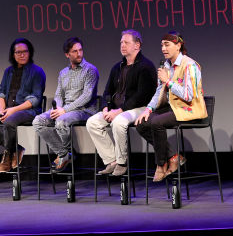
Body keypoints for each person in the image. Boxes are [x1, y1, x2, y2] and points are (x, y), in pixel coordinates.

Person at [135, 30, 206, 181]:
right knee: (142, 123)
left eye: (167, 45)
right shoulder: (166, 65)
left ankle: (161, 164)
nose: (163, 49)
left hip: (189, 108)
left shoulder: (190, 65)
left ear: (178, 46)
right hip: (173, 107)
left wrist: (168, 81)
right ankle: (173, 157)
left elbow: (188, 95)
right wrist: (148, 109)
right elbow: (159, 92)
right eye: (162, 45)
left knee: (156, 122)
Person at [86, 29, 157, 177]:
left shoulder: (145, 66)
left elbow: (142, 96)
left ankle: (122, 162)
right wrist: (105, 108)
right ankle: (111, 160)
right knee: (92, 122)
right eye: (121, 42)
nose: (122, 45)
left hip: (139, 108)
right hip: (116, 109)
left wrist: (119, 111)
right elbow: (107, 91)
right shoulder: (117, 67)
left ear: (137, 45)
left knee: (119, 122)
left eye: (126, 42)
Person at [0, 38, 46, 172]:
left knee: (9, 122)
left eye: (25, 51)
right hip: (8, 110)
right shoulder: (8, 71)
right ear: (13, 55)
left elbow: (35, 99)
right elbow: (2, 93)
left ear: (29, 53)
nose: (22, 54)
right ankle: (16, 149)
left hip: (28, 111)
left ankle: (7, 153)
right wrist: (2, 109)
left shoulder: (37, 71)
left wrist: (13, 110)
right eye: (18, 52)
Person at [33, 37, 98, 170]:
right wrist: (57, 108)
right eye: (74, 51)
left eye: (80, 50)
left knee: (61, 121)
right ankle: (64, 153)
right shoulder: (63, 73)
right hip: (66, 109)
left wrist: (64, 110)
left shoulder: (90, 70)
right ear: (67, 55)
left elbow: (87, 96)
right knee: (38, 121)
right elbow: (59, 94)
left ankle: (65, 155)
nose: (79, 53)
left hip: (84, 110)